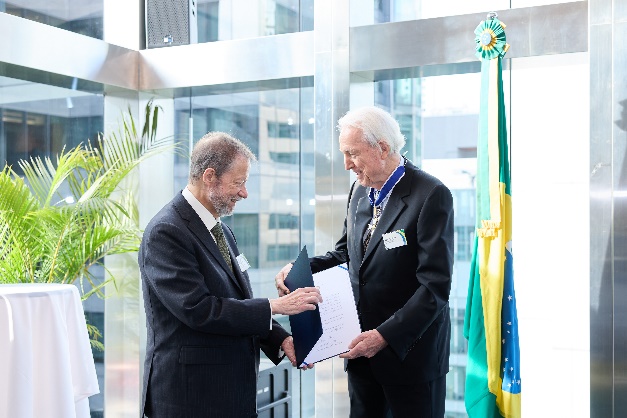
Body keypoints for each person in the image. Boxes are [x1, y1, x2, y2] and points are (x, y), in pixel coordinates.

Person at [276, 106, 454, 418]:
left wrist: (384, 336)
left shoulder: (431, 194)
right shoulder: (359, 191)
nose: (346, 165)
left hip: (410, 356)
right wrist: (299, 270)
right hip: (360, 352)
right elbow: (345, 254)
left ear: (382, 148)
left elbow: (434, 288)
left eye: (352, 153)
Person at [139, 131, 322, 418]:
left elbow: (236, 301)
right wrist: (275, 306)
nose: (245, 193)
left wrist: (281, 340)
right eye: (239, 182)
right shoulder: (166, 231)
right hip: (190, 397)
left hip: (230, 392)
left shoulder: (221, 230)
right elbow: (198, 309)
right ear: (209, 177)